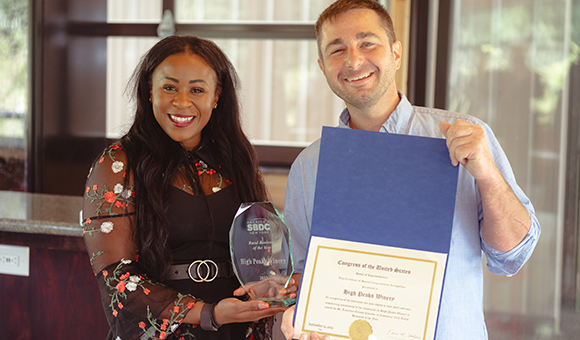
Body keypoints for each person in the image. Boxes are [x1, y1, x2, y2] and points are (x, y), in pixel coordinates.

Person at [280, 0, 540, 339]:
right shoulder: (308, 168)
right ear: (323, 66)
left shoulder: (464, 137)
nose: (354, 60)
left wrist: (488, 174)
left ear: (396, 53)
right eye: (337, 49)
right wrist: (294, 310)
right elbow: (305, 275)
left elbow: (512, 256)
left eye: (367, 43)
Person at [82, 35, 288, 340]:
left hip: (235, 326)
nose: (182, 102)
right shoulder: (118, 163)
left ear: (216, 96)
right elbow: (117, 278)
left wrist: (269, 283)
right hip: (167, 328)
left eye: (197, 90)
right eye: (169, 87)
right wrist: (208, 313)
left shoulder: (237, 161)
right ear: (148, 90)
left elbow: (258, 248)